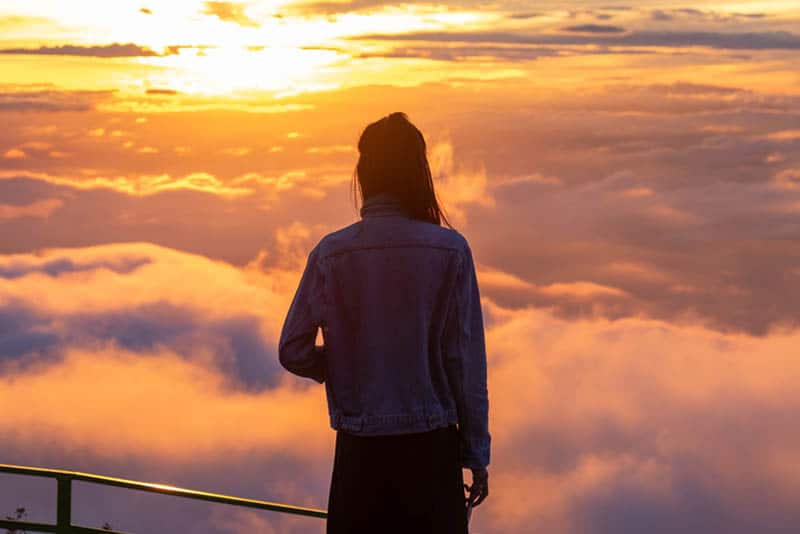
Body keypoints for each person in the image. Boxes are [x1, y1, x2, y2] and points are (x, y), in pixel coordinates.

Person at [278, 111, 490, 533]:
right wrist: (475, 455)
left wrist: (345, 363)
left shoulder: (331, 253)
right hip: (431, 452)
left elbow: (293, 350)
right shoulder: (450, 251)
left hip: (359, 455)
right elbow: (463, 363)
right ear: (418, 172)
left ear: (364, 173)